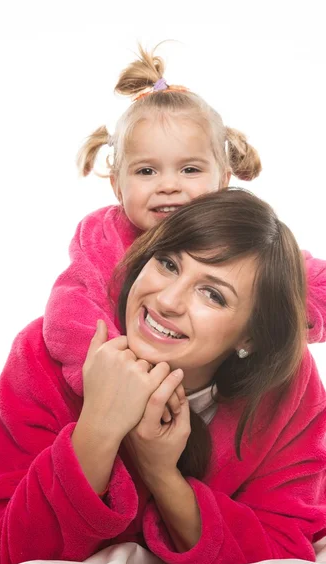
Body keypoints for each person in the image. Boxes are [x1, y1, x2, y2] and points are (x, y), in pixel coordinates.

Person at [0, 189, 326, 564]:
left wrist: (160, 473)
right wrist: (99, 427)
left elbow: (283, 552)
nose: (168, 300)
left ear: (250, 336)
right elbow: (2, 549)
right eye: (169, 264)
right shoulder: (42, 355)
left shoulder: (288, 393)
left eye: (212, 295)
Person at [42, 44, 264, 398]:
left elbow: (295, 276)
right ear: (117, 186)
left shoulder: (235, 237)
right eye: (147, 171)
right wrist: (118, 381)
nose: (169, 186)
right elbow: (72, 313)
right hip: (126, 393)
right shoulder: (102, 238)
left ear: (223, 179)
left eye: (190, 169)